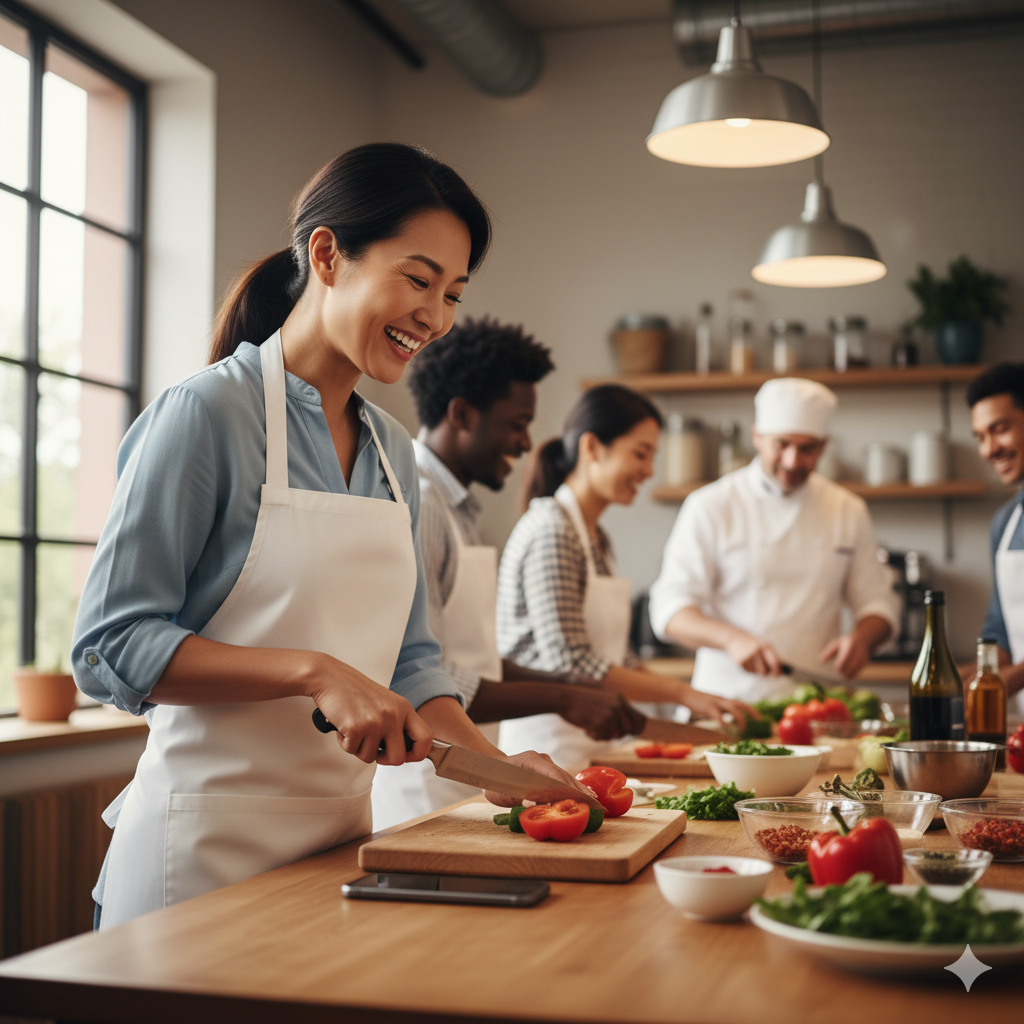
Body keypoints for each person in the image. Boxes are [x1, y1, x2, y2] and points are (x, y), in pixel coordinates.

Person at [71, 143, 587, 930]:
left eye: (452, 293)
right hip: (197, 860)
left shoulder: (394, 450)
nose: (436, 316)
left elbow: (413, 661)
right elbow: (110, 648)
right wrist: (313, 672)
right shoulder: (208, 414)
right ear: (327, 255)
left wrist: (496, 768)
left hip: (338, 852)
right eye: (418, 279)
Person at [371, 320, 644, 827]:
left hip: (472, 772)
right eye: (517, 423)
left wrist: (571, 690)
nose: (525, 444)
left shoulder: (456, 509)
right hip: (424, 782)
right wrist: (564, 694)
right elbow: (419, 669)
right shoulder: (425, 502)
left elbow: (473, 658)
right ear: (462, 414)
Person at [496, 385, 755, 772]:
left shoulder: (595, 537)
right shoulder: (553, 530)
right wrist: (683, 694)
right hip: (549, 749)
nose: (649, 471)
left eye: (652, 456)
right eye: (640, 453)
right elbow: (574, 662)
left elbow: (617, 655)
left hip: (592, 744)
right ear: (592, 448)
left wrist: (697, 697)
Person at [649, 377, 900, 703]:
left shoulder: (847, 509)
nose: (793, 461)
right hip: (727, 700)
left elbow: (877, 603)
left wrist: (863, 639)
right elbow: (670, 610)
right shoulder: (710, 505)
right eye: (781, 444)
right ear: (757, 436)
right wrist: (731, 639)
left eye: (808, 448)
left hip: (815, 703)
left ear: (824, 446)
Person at [967, 362, 1024, 714]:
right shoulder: (1006, 523)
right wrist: (952, 679)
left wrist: (993, 687)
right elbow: (1000, 633)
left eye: (999, 429)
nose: (989, 449)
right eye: (980, 437)